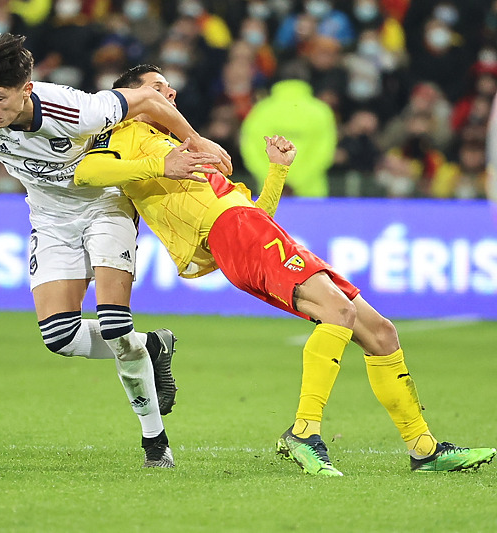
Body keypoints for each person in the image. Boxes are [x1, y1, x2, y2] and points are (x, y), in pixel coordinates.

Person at [74, 64, 496, 476]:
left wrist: (277, 170)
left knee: (381, 332)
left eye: (169, 88)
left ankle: (423, 449)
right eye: (156, 87)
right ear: (133, 97)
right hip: (232, 233)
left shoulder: (183, 146)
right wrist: (160, 166)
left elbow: (253, 213)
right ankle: (304, 432)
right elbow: (87, 171)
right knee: (339, 313)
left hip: (253, 228)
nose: (170, 94)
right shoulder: (127, 133)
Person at [0, 34, 232, 468]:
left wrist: (197, 141)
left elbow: (147, 99)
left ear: (27, 90)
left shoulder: (75, 109)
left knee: (112, 324)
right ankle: (153, 345)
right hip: (50, 220)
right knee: (59, 337)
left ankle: (155, 444)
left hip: (105, 204)